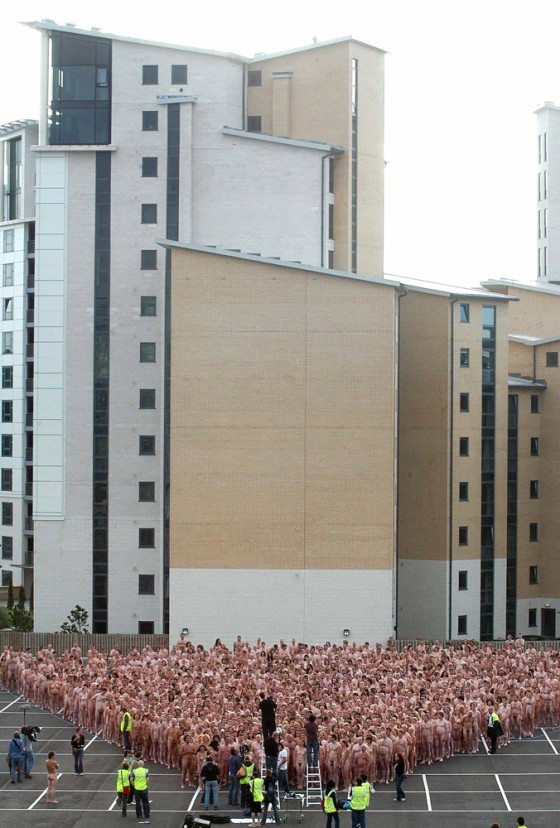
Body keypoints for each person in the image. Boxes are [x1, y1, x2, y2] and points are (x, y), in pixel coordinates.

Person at [131, 759, 151, 824]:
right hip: (144, 788)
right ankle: (146, 814)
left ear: (138, 765)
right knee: (145, 802)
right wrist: (146, 785)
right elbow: (148, 780)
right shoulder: (145, 770)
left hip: (137, 789)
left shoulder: (134, 771)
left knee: (138, 802)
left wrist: (134, 785)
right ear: (143, 764)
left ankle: (139, 815)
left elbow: (131, 780)